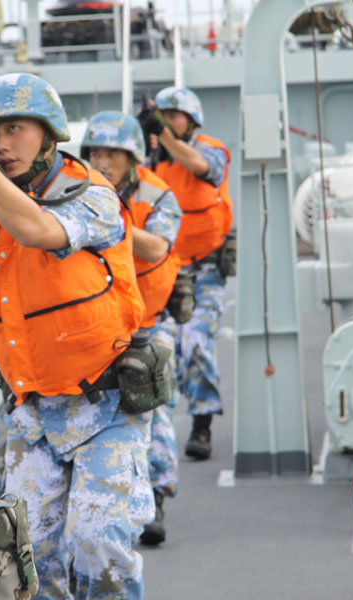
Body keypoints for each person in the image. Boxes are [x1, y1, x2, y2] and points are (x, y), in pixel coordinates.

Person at [0, 73, 153, 599]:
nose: (1, 145)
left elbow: (39, 230)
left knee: (99, 548)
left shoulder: (92, 195)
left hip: (105, 407)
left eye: (15, 129)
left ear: (49, 135)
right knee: (30, 564)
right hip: (31, 417)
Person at [79, 110, 182, 546]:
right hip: (97, 322)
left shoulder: (157, 196)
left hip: (148, 323)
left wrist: (109, 221)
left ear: (132, 156)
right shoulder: (74, 192)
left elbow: (158, 245)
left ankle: (156, 495)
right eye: (96, 153)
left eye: (112, 153)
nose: (102, 161)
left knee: (152, 406)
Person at [138, 86, 233, 460]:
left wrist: (162, 135)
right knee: (162, 347)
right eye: (160, 116)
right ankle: (158, 429)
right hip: (167, 268)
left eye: (172, 116)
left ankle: (203, 421)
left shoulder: (210, 148)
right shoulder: (153, 160)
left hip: (206, 267)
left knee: (194, 340)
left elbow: (200, 167)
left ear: (191, 121)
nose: (166, 123)